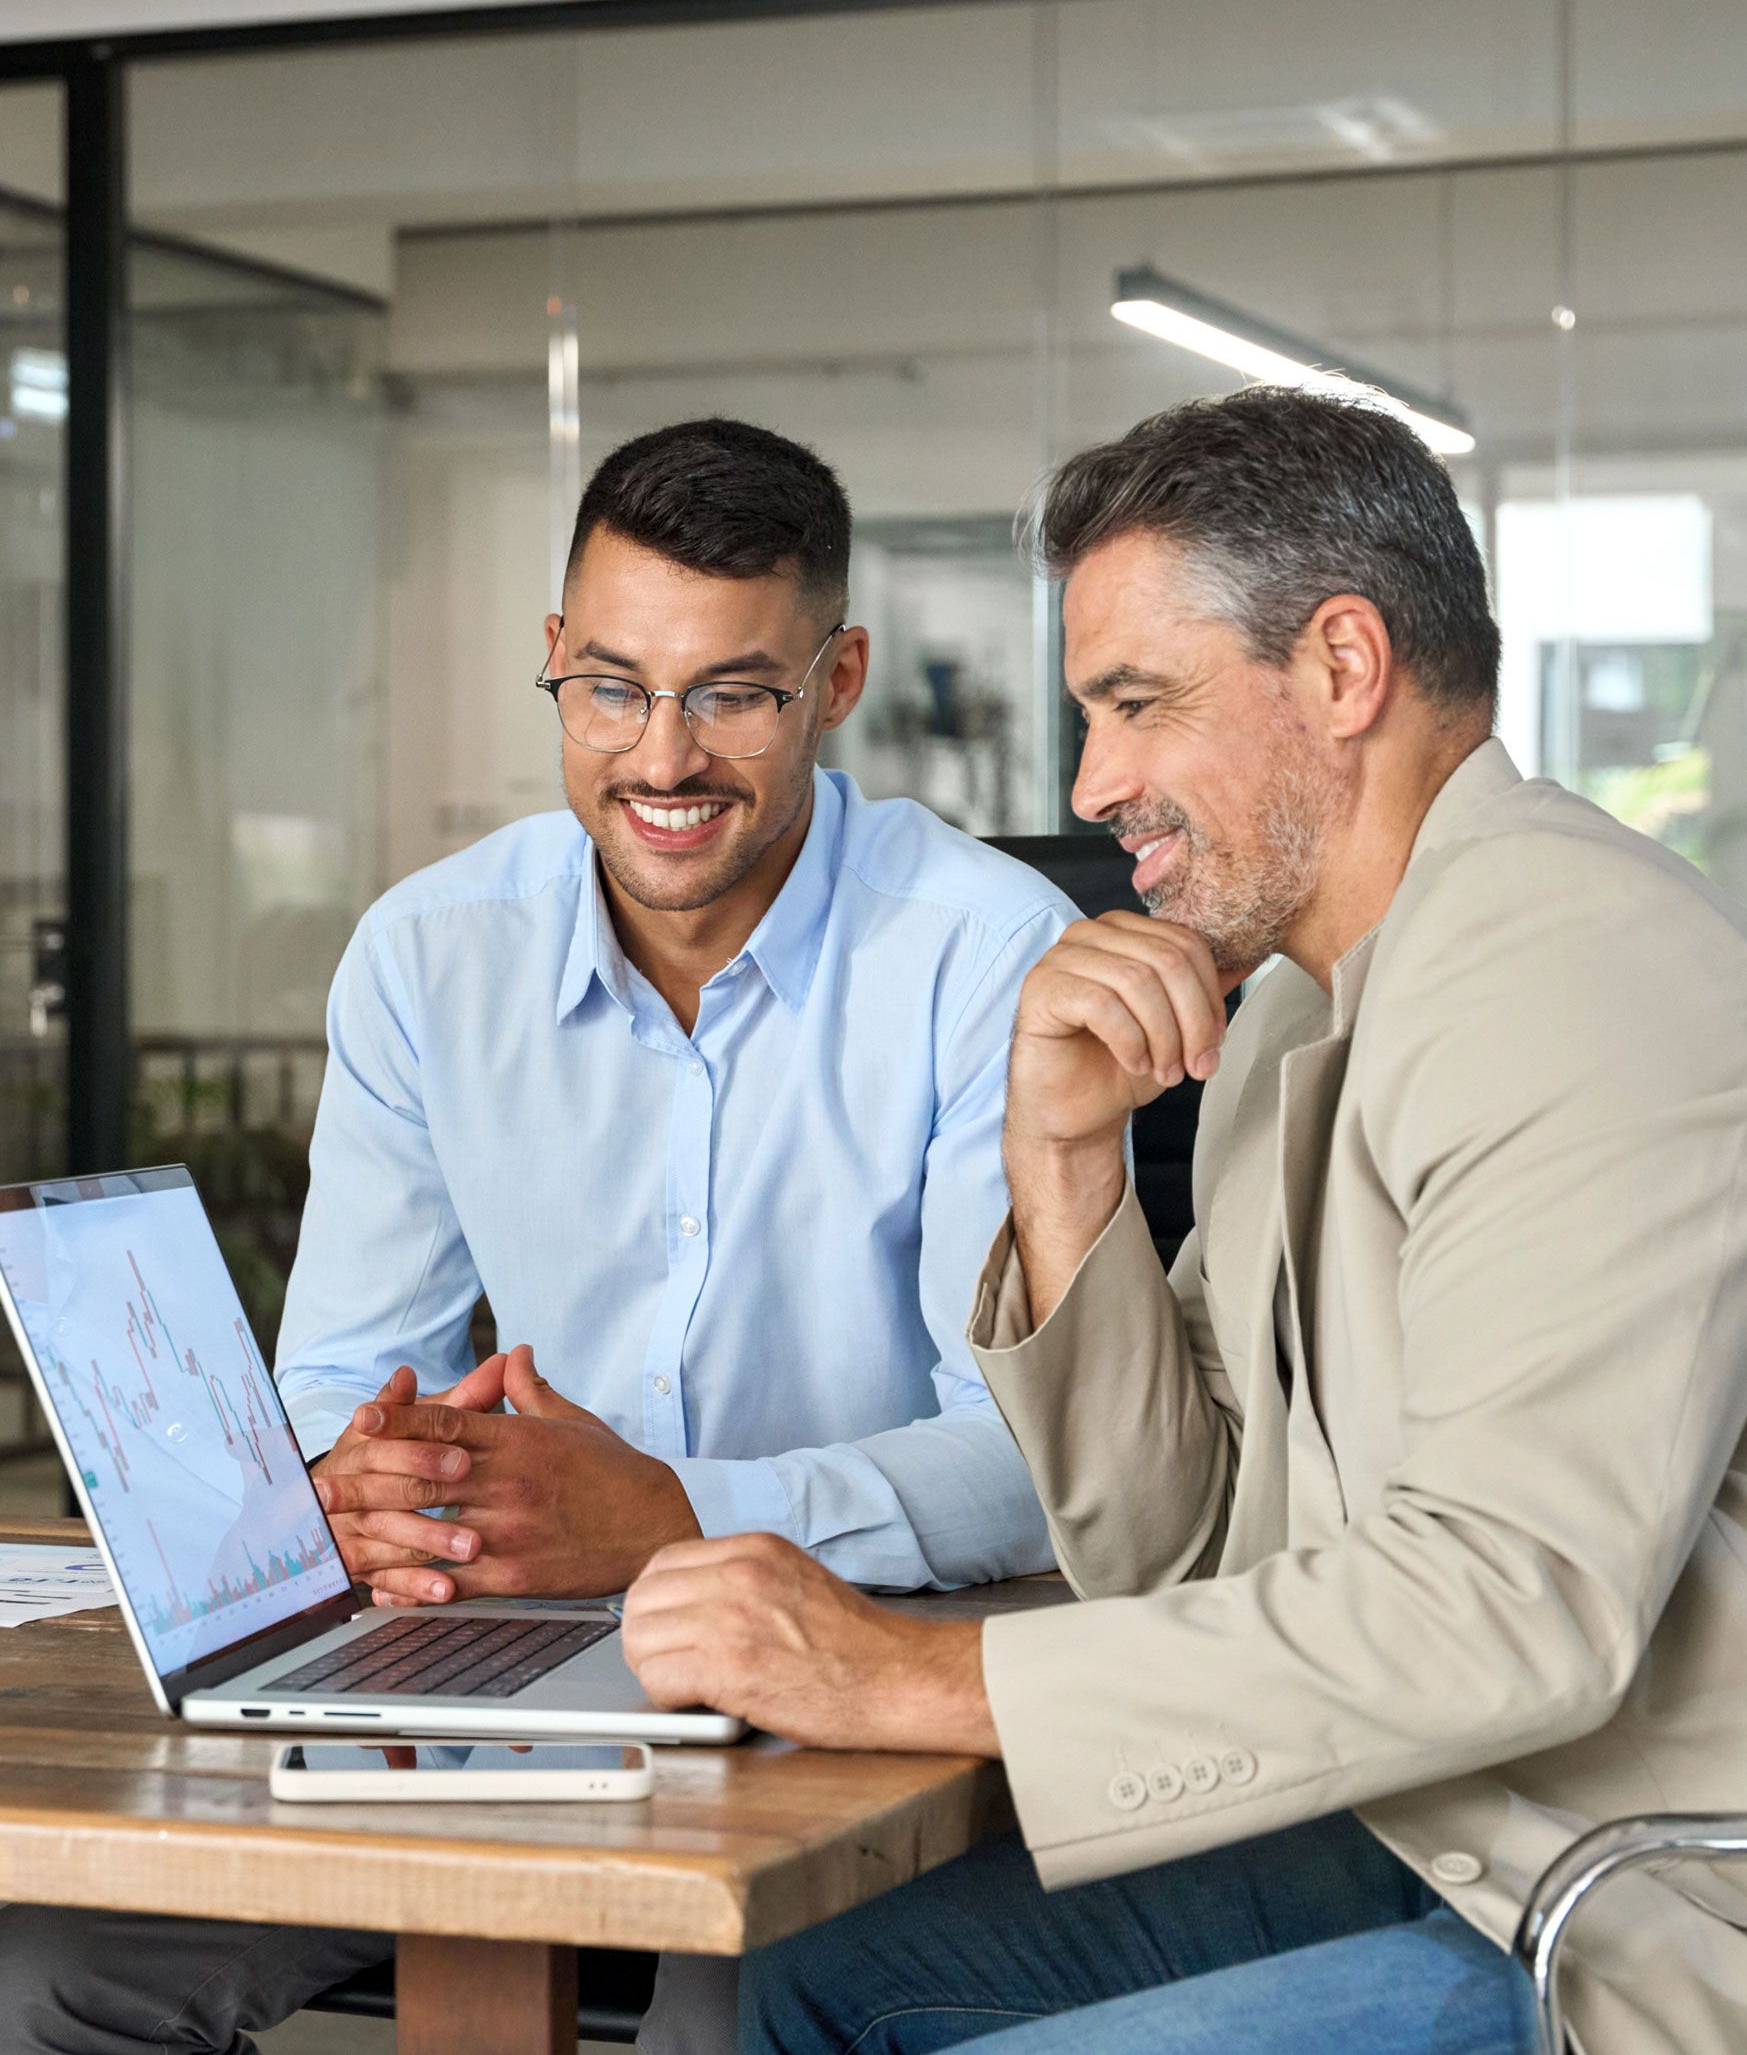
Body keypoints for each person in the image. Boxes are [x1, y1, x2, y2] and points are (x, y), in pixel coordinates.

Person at [618, 387, 1747, 2055]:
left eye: (1138, 703)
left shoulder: (1590, 977)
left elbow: (1506, 1610)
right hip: (1453, 1832)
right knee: (795, 1983)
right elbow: (1185, 1545)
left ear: (1342, 668)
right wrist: (1068, 1167)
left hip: (1678, 1916)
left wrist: (904, 1679)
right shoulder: (1303, 1010)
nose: (1095, 784)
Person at [0, 416, 1069, 2053]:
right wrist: (350, 1485)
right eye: (616, 686)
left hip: (850, 1678)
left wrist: (669, 1518)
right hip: (484, 1654)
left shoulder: (986, 954)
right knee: (47, 1976)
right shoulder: (432, 955)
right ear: (555, 662)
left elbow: (1023, 1461)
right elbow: (339, 1380)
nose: (663, 757)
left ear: (837, 680)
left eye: (735, 693)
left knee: (736, 2013)